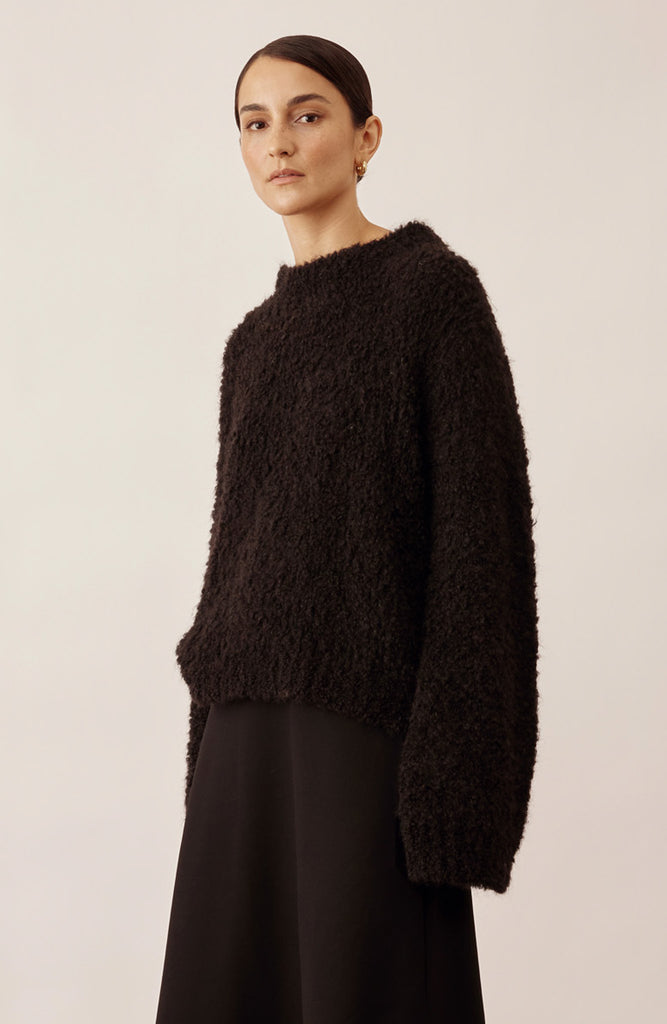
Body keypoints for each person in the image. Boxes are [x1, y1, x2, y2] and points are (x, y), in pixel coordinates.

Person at [155, 33, 539, 1024]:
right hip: (243, 743)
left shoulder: (432, 293)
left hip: (363, 737)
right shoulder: (253, 343)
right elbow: (230, 564)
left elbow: (481, 548)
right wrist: (204, 759)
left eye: (307, 114)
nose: (278, 142)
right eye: (255, 123)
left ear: (366, 138)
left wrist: (458, 785)